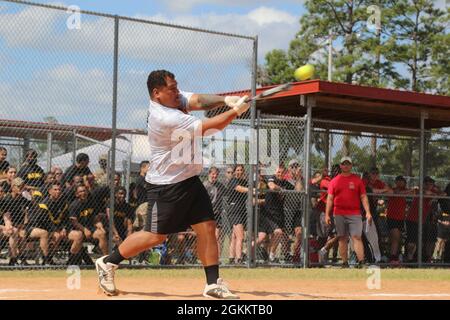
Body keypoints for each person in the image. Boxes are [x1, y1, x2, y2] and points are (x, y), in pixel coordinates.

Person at [95, 69, 249, 298]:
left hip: (190, 179)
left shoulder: (173, 100)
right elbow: (209, 128)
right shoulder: (164, 117)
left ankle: (212, 284)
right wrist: (235, 111)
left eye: (177, 87)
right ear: (157, 93)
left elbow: (197, 99)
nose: (177, 92)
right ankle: (108, 262)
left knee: (207, 227)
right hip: (167, 185)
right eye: (172, 89)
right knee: (154, 236)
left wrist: (225, 99)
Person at [325, 157, 373, 268]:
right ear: (340, 166)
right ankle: (345, 263)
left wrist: (368, 212)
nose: (345, 166)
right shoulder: (334, 181)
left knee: (357, 237)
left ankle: (361, 262)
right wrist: (327, 214)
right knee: (342, 238)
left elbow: (363, 197)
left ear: (351, 166)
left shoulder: (357, 180)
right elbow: (330, 198)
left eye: (348, 164)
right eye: (343, 164)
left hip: (355, 214)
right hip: (339, 213)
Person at [26, 182, 70, 265]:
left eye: (59, 190)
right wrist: (56, 230)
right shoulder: (44, 204)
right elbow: (44, 221)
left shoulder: (63, 203)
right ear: (50, 191)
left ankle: (49, 258)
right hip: (38, 227)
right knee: (54, 235)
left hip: (53, 228)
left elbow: (66, 219)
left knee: (58, 236)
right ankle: (47, 259)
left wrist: (64, 228)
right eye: (55, 190)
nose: (58, 191)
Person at [67, 184, 110, 265]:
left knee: (101, 233)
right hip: (76, 229)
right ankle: (71, 261)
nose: (83, 193)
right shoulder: (74, 205)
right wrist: (84, 229)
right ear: (76, 194)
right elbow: (74, 222)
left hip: (90, 228)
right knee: (79, 235)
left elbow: (95, 218)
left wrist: (100, 225)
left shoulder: (91, 202)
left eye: (84, 191)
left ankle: (106, 260)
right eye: (80, 191)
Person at [0, 177, 30, 265]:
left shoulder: (4, 202)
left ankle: (15, 259)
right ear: (13, 187)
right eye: (19, 186)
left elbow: (7, 217)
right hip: (4, 226)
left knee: (19, 232)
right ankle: (15, 257)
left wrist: (9, 226)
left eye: (22, 186)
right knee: (15, 231)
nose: (22, 188)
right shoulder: (7, 200)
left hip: (13, 226)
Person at [386, 176, 412, 263]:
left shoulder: (406, 190)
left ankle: (395, 255)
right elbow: (398, 192)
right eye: (399, 181)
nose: (401, 182)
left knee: (398, 239)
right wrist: (411, 190)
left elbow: (413, 193)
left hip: (401, 219)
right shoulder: (393, 190)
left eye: (402, 181)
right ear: (396, 182)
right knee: (395, 237)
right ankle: (393, 257)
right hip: (392, 218)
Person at [227, 164, 248, 265]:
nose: (239, 172)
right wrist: (250, 189)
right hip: (234, 210)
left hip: (241, 210)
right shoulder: (233, 181)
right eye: (237, 170)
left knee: (235, 236)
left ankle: (231, 258)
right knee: (240, 236)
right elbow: (239, 188)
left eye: (241, 170)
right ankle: (239, 259)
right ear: (234, 172)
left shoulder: (244, 182)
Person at [203, 167, 226, 259]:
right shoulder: (205, 185)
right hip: (207, 214)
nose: (214, 176)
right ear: (209, 174)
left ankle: (217, 258)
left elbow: (227, 194)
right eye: (213, 174)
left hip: (217, 213)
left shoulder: (220, 185)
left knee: (217, 236)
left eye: (216, 174)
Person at [435, 183, 450, 262]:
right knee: (442, 240)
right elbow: (444, 205)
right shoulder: (445, 197)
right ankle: (446, 260)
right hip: (444, 221)